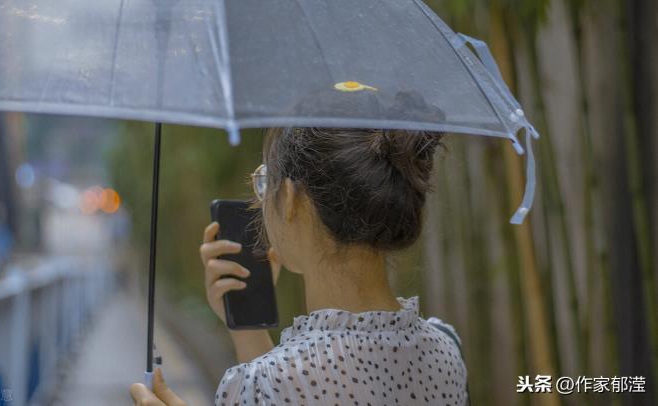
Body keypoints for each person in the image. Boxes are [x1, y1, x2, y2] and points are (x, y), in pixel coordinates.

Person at [131, 93, 469, 405]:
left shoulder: (264, 383)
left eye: (265, 181)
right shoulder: (446, 352)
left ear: (293, 199)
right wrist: (249, 329)